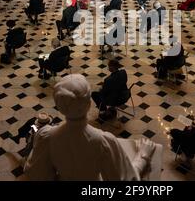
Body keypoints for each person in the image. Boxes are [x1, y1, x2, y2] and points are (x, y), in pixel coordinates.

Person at [24, 74, 157, 180]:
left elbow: (36, 174)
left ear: (59, 107)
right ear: (88, 104)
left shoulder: (46, 136)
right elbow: (127, 179)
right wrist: (143, 156)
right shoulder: (102, 141)